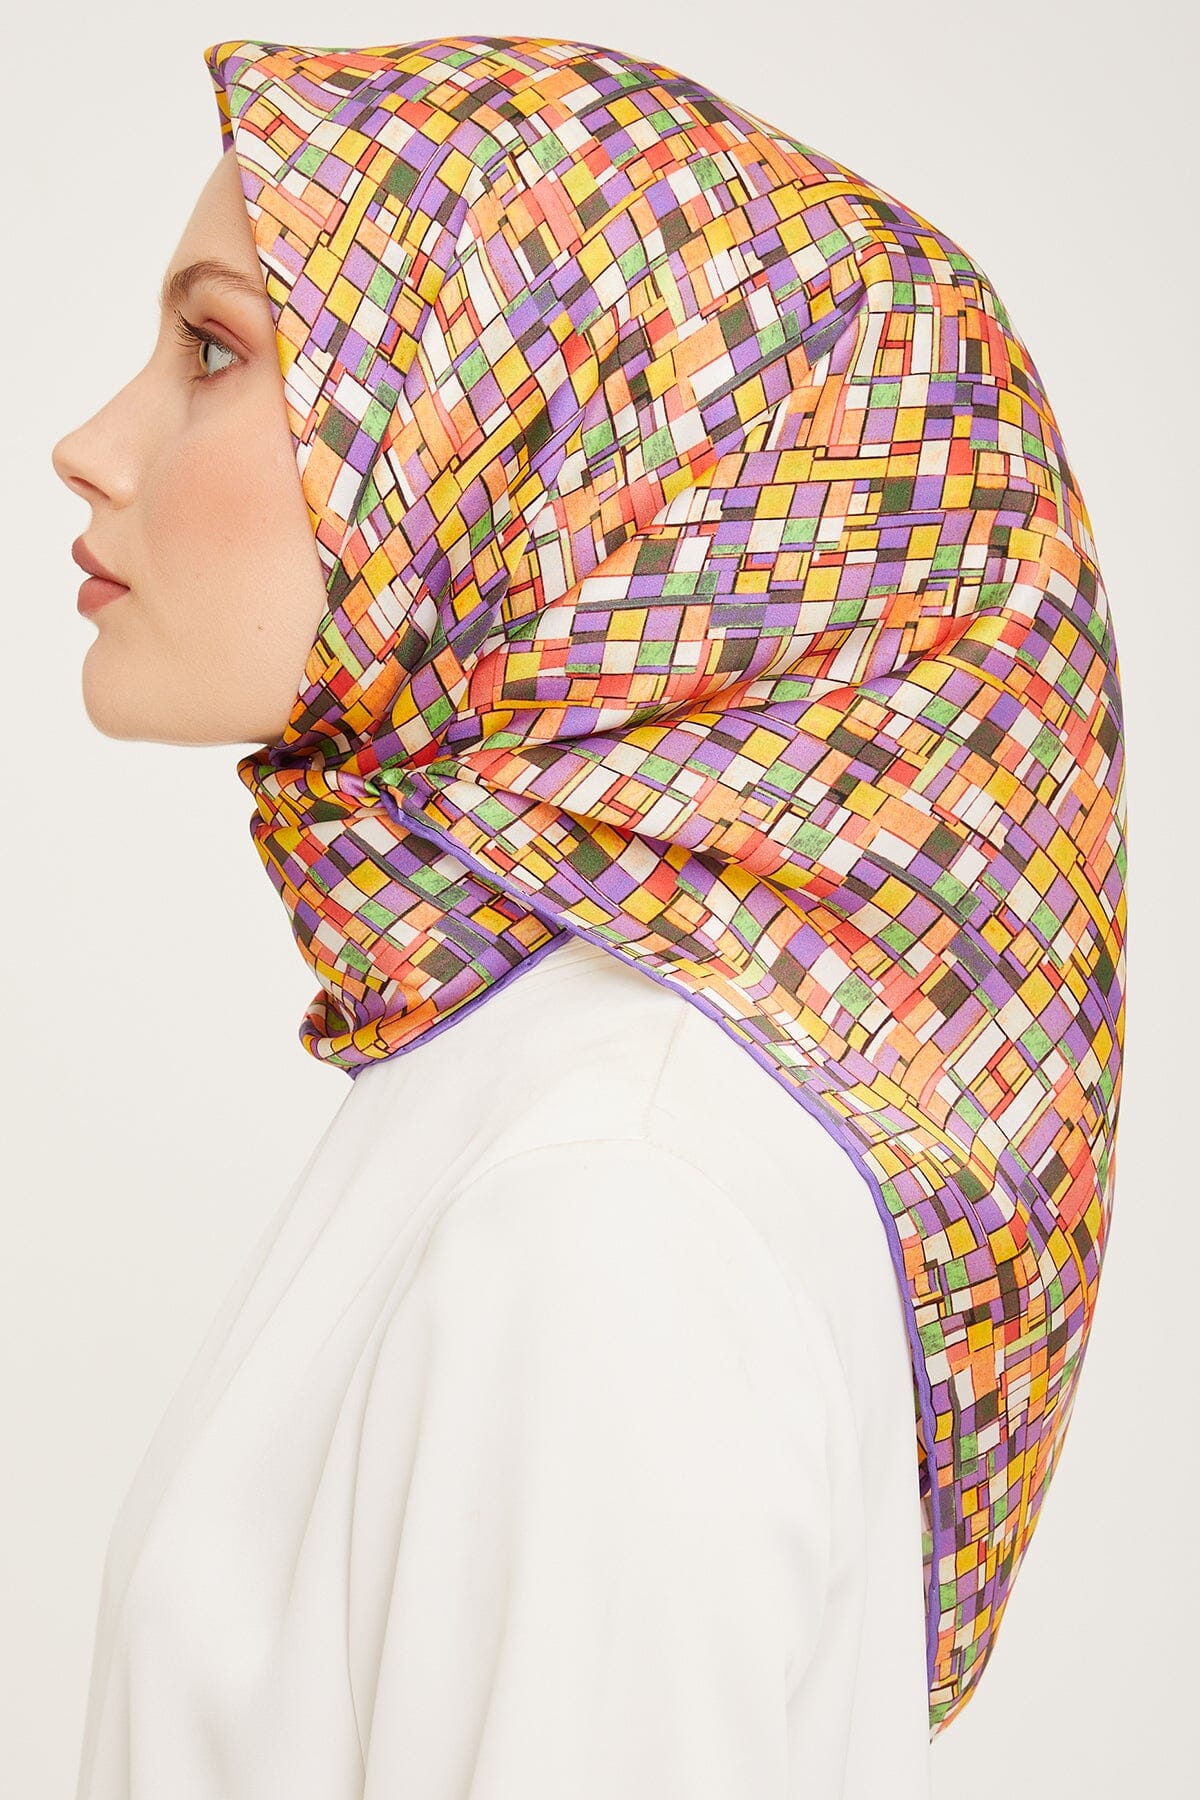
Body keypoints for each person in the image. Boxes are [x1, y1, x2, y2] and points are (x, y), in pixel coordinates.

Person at [51, 33, 1127, 1798]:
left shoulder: (613, 1216)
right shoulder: (537, 1095)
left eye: (215, 350)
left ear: (547, 460)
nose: (91, 447)